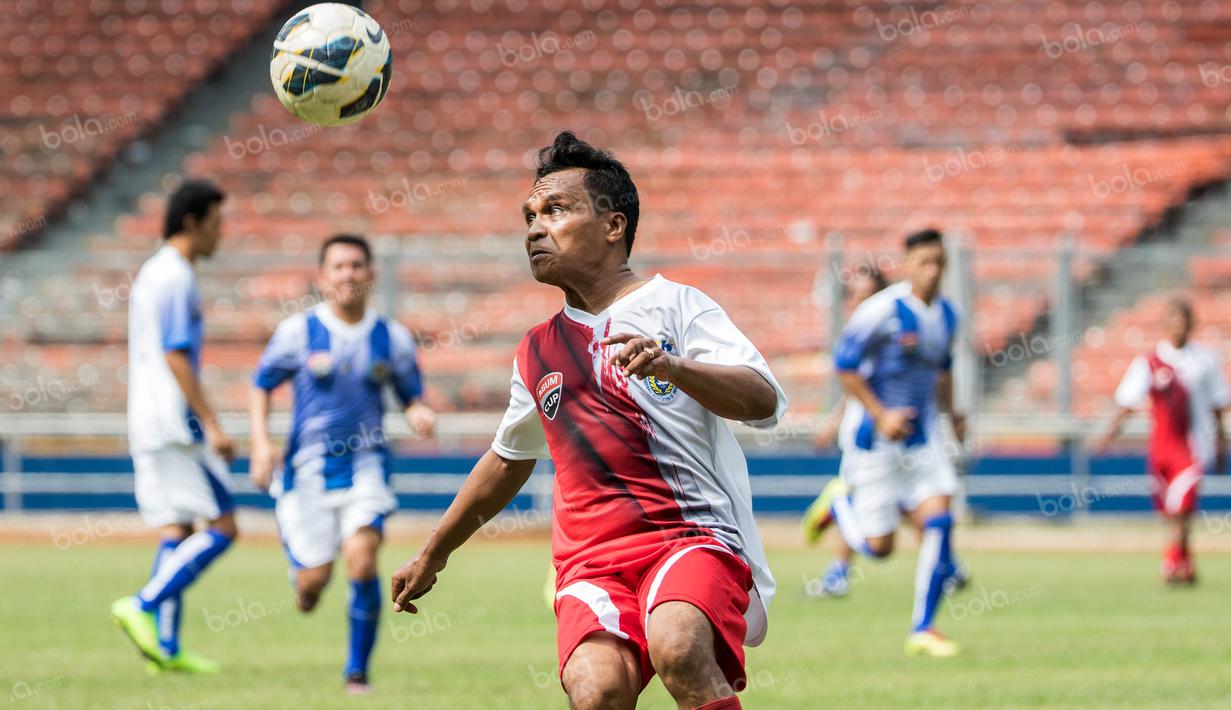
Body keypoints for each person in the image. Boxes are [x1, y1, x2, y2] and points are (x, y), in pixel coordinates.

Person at [389, 131, 788, 709]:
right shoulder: (537, 351)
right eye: (529, 214)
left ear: (612, 226)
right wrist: (433, 553)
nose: (533, 227)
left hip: (690, 536)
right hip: (590, 562)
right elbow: (507, 459)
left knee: (678, 644)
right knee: (596, 690)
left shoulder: (677, 305)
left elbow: (763, 400)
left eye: (555, 209)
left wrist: (674, 367)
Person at [249, 234, 436, 694]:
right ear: (322, 278)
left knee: (362, 558)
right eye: (339, 267)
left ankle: (357, 672)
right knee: (315, 582)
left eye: (357, 265)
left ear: (371, 274)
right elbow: (261, 384)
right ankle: (306, 586)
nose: (349, 274)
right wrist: (259, 443)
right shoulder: (298, 332)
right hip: (306, 474)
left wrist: (417, 411)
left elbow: (411, 394)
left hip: (366, 468)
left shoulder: (390, 336)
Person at [806, 228, 967, 657]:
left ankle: (924, 628)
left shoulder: (949, 315)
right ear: (908, 264)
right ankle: (838, 506)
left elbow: (944, 370)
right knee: (879, 549)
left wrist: (956, 416)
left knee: (941, 521)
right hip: (874, 440)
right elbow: (844, 366)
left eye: (939, 263)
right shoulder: (881, 311)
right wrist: (881, 414)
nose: (932, 271)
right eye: (924, 262)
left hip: (922, 439)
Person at [111, 179, 236, 674]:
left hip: (146, 418)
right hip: (175, 423)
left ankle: (164, 649)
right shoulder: (176, 275)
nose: (221, 235)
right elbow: (175, 352)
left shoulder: (151, 273)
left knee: (177, 529)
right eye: (216, 223)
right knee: (224, 527)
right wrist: (211, 422)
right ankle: (140, 605)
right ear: (193, 221)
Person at [1095, 298, 1228, 584]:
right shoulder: (1149, 361)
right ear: (1165, 324)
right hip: (1161, 450)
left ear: (1191, 324)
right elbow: (1128, 402)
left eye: (1184, 320)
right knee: (1172, 512)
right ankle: (1187, 564)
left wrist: (1221, 441)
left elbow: (1218, 404)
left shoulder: (1205, 360)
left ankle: (1170, 563)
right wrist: (1109, 435)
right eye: (1174, 320)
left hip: (1193, 448)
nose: (1179, 326)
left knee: (1182, 507)